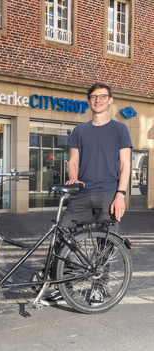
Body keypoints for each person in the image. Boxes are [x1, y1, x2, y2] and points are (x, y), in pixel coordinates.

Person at [41, 82, 133, 306]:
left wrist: (120, 194)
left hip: (108, 194)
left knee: (106, 244)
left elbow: (125, 164)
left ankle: (99, 289)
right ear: (88, 101)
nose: (98, 100)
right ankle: (65, 285)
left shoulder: (120, 129)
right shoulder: (80, 131)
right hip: (82, 194)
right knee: (61, 235)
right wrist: (73, 178)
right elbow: (73, 161)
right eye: (94, 96)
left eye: (102, 96)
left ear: (110, 100)